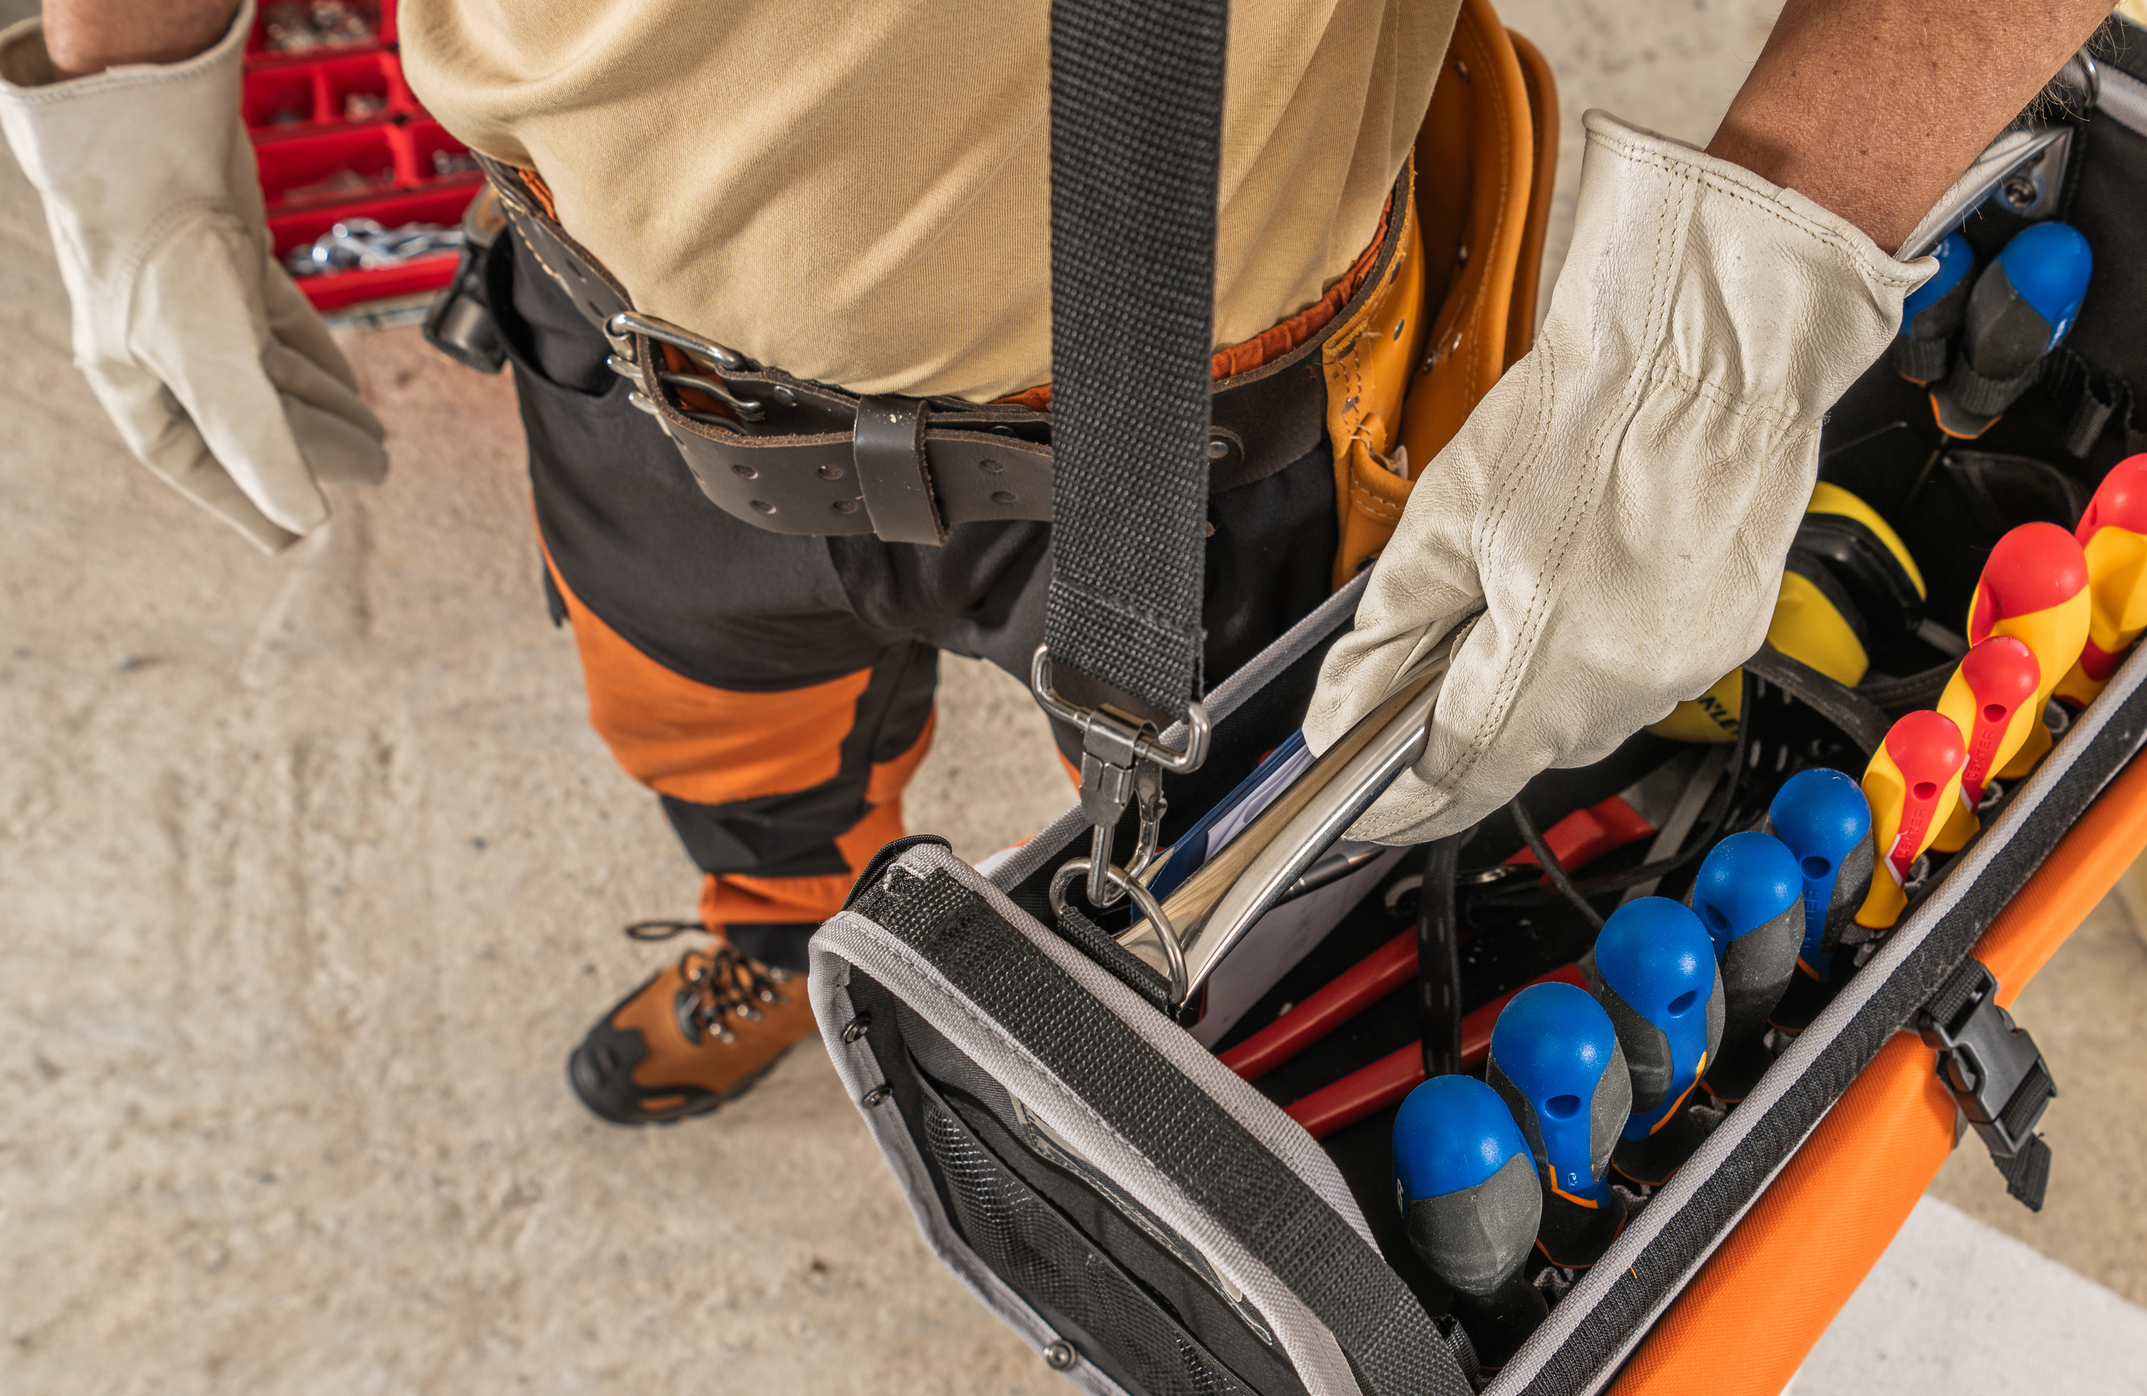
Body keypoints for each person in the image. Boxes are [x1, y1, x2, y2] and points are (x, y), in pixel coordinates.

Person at [1, 0, 2116, 1127]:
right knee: (721, 740)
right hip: (631, 351)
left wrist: (1746, 272)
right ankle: (778, 917)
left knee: (1302, 911)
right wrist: (127, 92)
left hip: (1242, 404)